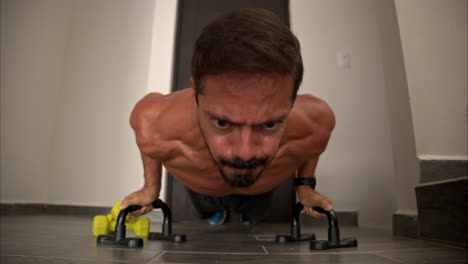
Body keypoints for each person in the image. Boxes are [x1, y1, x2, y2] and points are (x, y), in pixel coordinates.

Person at [120, 8, 335, 225]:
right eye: (222, 123)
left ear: (292, 99)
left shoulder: (317, 122)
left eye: (269, 124)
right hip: (202, 189)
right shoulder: (152, 121)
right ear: (195, 92)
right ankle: (216, 212)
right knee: (209, 208)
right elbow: (149, 143)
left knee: (254, 212)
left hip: (260, 188)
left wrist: (305, 188)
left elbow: (311, 145)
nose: (245, 153)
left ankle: (248, 213)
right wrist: (150, 188)